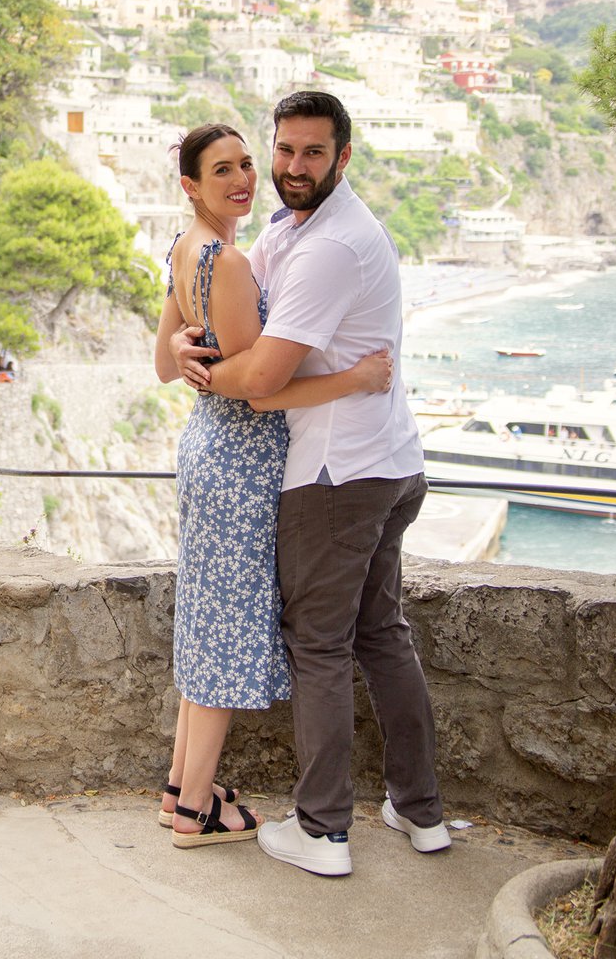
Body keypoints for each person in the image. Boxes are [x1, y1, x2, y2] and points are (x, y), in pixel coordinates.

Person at [173, 91, 447, 877]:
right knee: (380, 635)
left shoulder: (331, 245)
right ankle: (419, 810)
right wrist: (195, 352)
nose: (293, 168)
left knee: (321, 646)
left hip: (336, 474)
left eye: (313, 153)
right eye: (283, 151)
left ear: (344, 157)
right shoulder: (292, 228)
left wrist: (205, 372)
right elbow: (229, 315)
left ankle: (324, 831)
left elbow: (260, 380)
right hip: (389, 462)